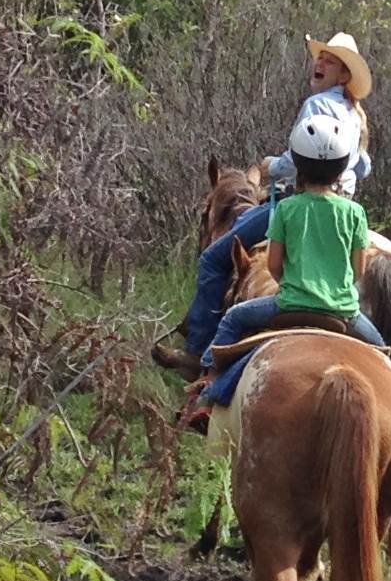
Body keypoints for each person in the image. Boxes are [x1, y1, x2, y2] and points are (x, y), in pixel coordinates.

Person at [156, 32, 378, 375]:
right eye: (320, 57)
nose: (319, 62)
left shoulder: (317, 106)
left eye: (329, 60)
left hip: (299, 196)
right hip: (343, 198)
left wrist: (269, 167)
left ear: (344, 75)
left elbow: (295, 161)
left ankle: (197, 353)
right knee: (382, 354)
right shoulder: (354, 116)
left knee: (214, 259)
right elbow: (363, 166)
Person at [182, 113, 388, 430]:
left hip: (289, 306)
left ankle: (208, 388)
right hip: (344, 314)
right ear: (341, 168)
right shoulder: (355, 212)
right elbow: (357, 269)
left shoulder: (286, 209)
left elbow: (274, 265)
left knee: (232, 320)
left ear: (298, 167)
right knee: (386, 359)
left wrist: (293, 288)